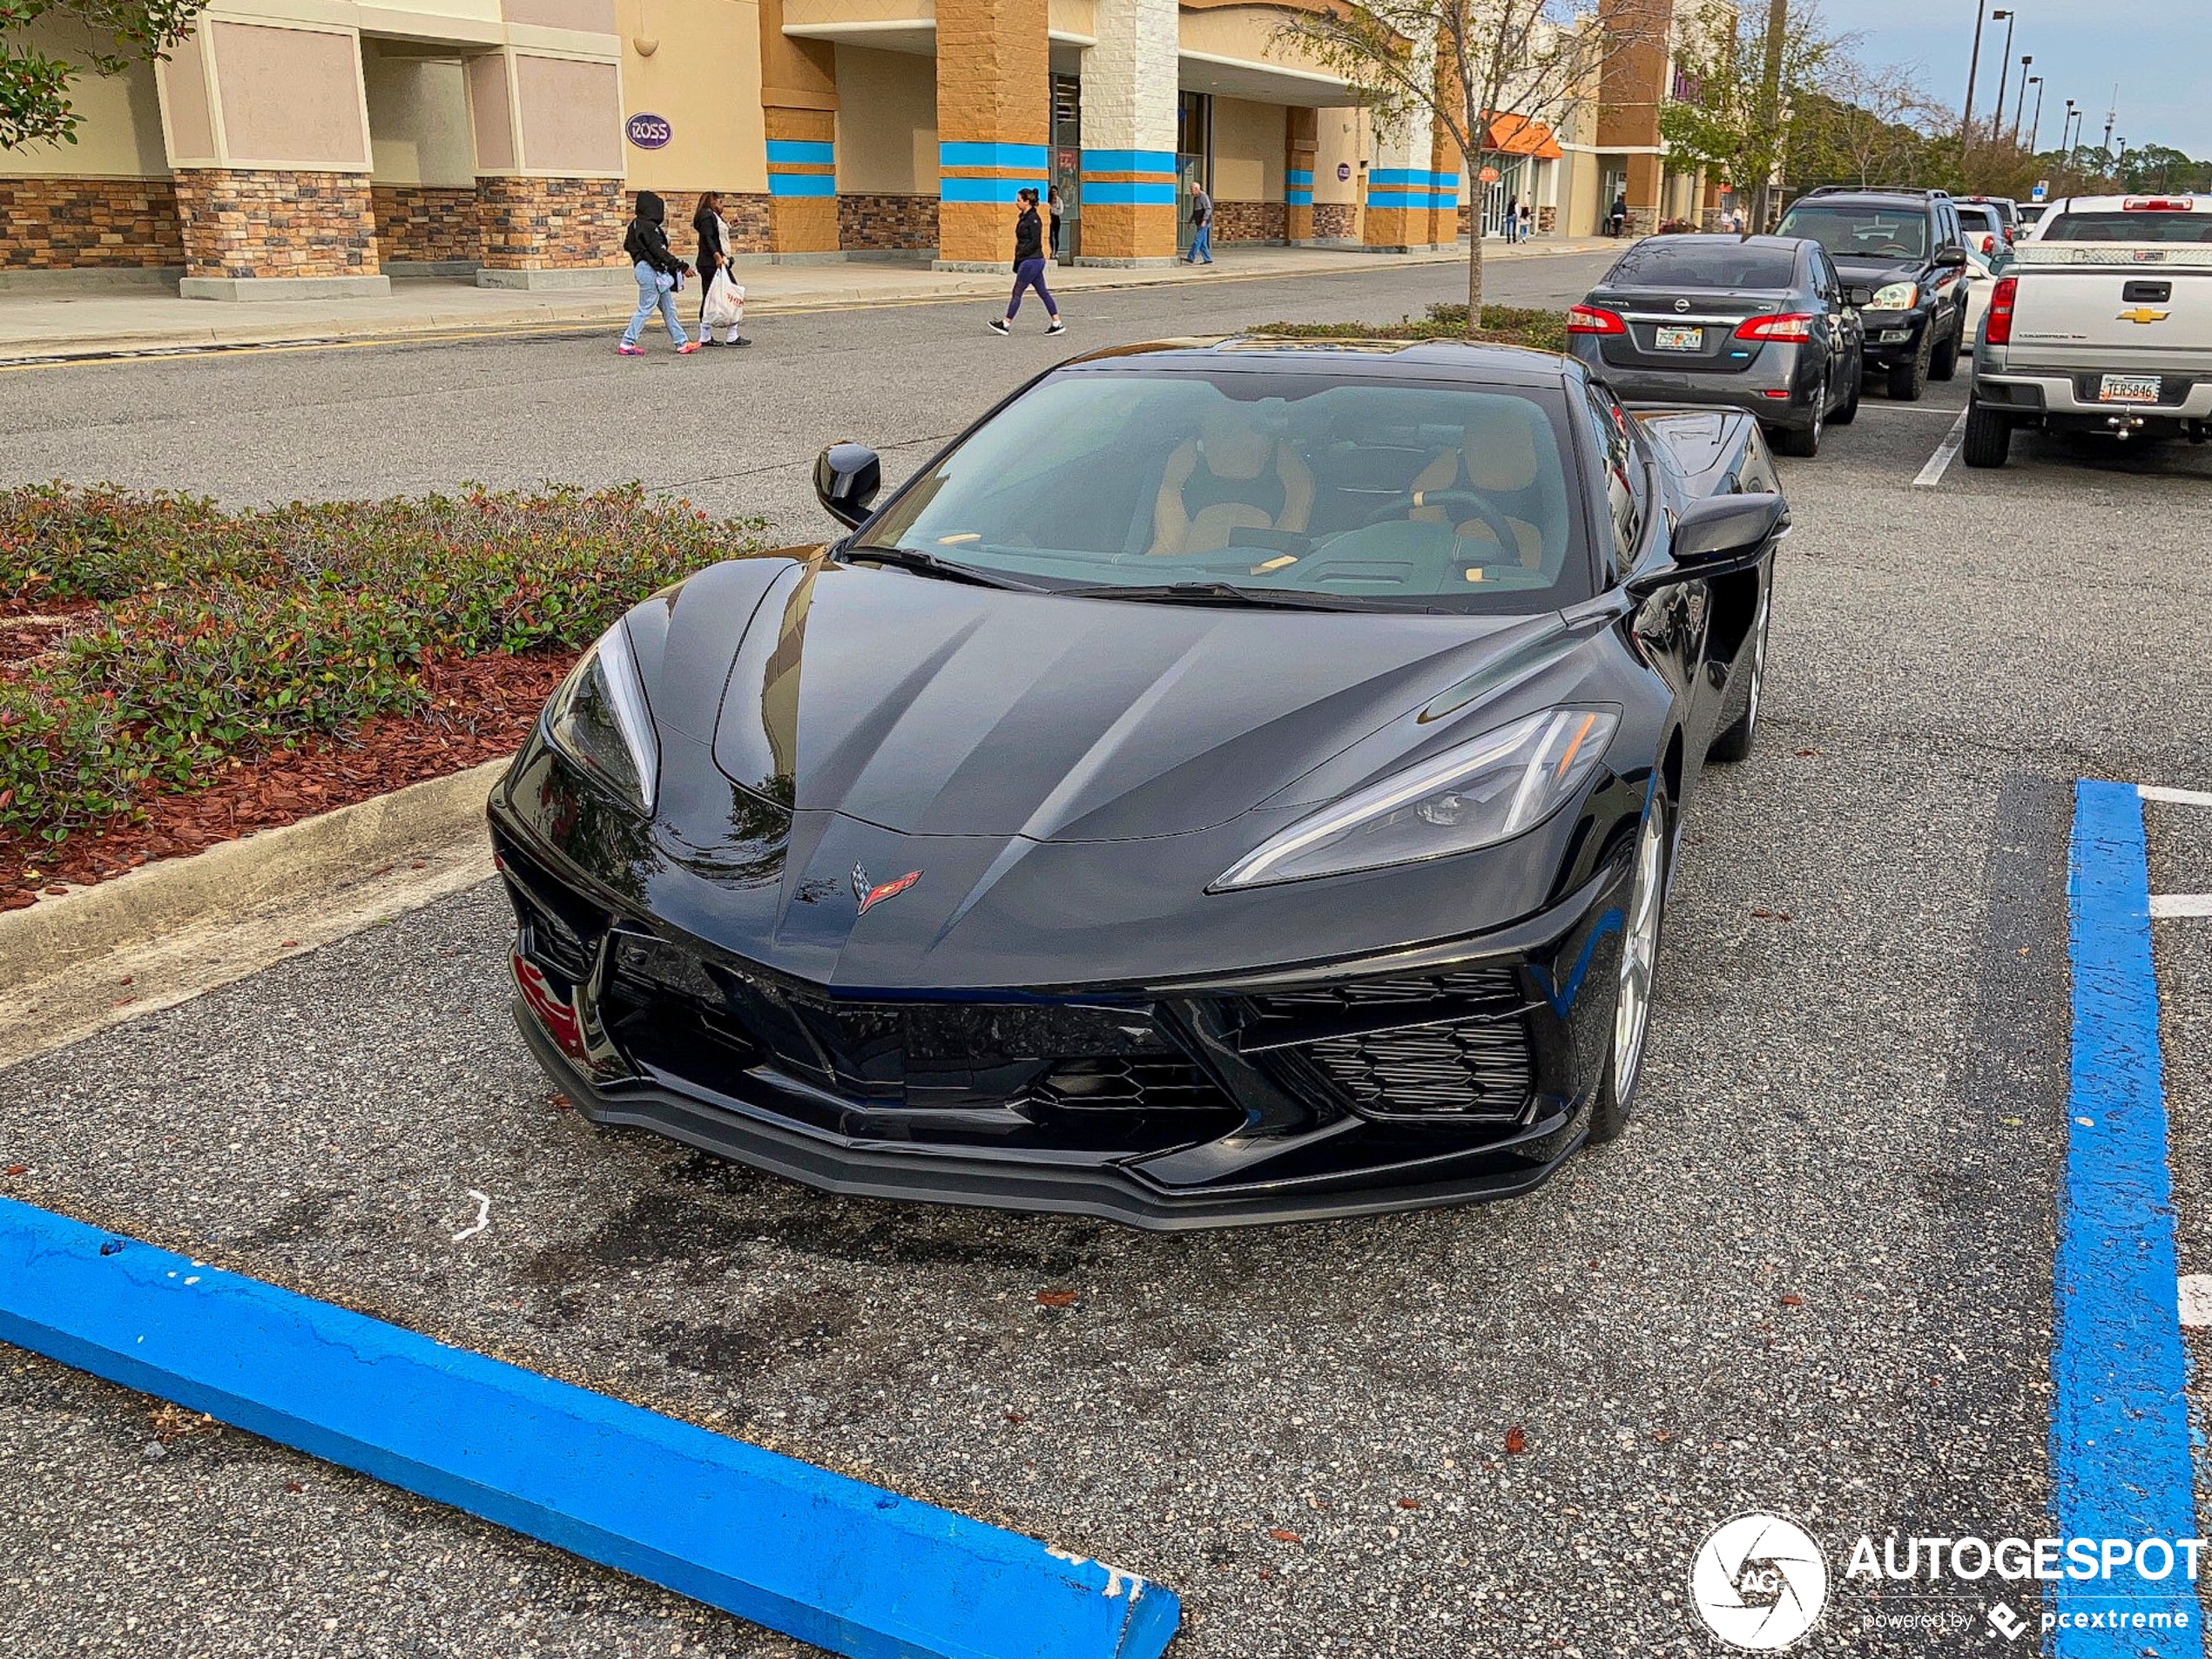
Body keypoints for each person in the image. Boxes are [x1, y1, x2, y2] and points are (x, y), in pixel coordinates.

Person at [619, 191, 698, 356]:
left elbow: (628, 245)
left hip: (643, 268)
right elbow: (659, 252)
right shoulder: (650, 227)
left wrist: (642, 254)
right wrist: (681, 266)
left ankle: (682, 343)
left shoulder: (634, 225)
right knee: (646, 307)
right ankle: (627, 342)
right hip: (651, 271)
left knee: (669, 308)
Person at [988, 187, 1064, 336]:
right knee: (1043, 292)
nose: (1016, 203)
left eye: (1019, 200)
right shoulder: (1024, 217)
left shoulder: (1033, 219)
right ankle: (1057, 322)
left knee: (1017, 292)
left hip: (1031, 261)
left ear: (1027, 202)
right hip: (1030, 260)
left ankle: (1006, 323)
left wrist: (1021, 254)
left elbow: (1035, 242)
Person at [690, 191, 752, 347]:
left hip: (710, 263)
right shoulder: (707, 216)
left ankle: (706, 335)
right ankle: (731, 334)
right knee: (732, 292)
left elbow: (716, 234)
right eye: (719, 202)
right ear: (712, 202)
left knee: (709, 297)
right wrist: (717, 255)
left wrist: (729, 225)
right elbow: (708, 237)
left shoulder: (711, 217)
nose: (722, 205)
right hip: (712, 263)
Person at [1185, 182, 1213, 265]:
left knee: (1197, 240)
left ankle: (1191, 258)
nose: (1191, 191)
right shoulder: (1196, 198)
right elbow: (1195, 212)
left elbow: (1208, 209)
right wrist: (1190, 221)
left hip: (1204, 223)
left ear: (1197, 189)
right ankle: (1208, 259)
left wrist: (1204, 220)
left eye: (1192, 189)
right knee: (1202, 242)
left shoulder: (1203, 196)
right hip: (1199, 222)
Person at [1048, 184, 1065, 258]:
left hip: (1056, 218)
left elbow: (1061, 210)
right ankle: (1052, 251)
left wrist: (1053, 211)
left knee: (1056, 236)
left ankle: (1056, 252)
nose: (1053, 193)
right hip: (1050, 218)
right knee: (1051, 236)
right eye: (1052, 191)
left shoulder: (1059, 200)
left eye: (1055, 191)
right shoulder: (1049, 200)